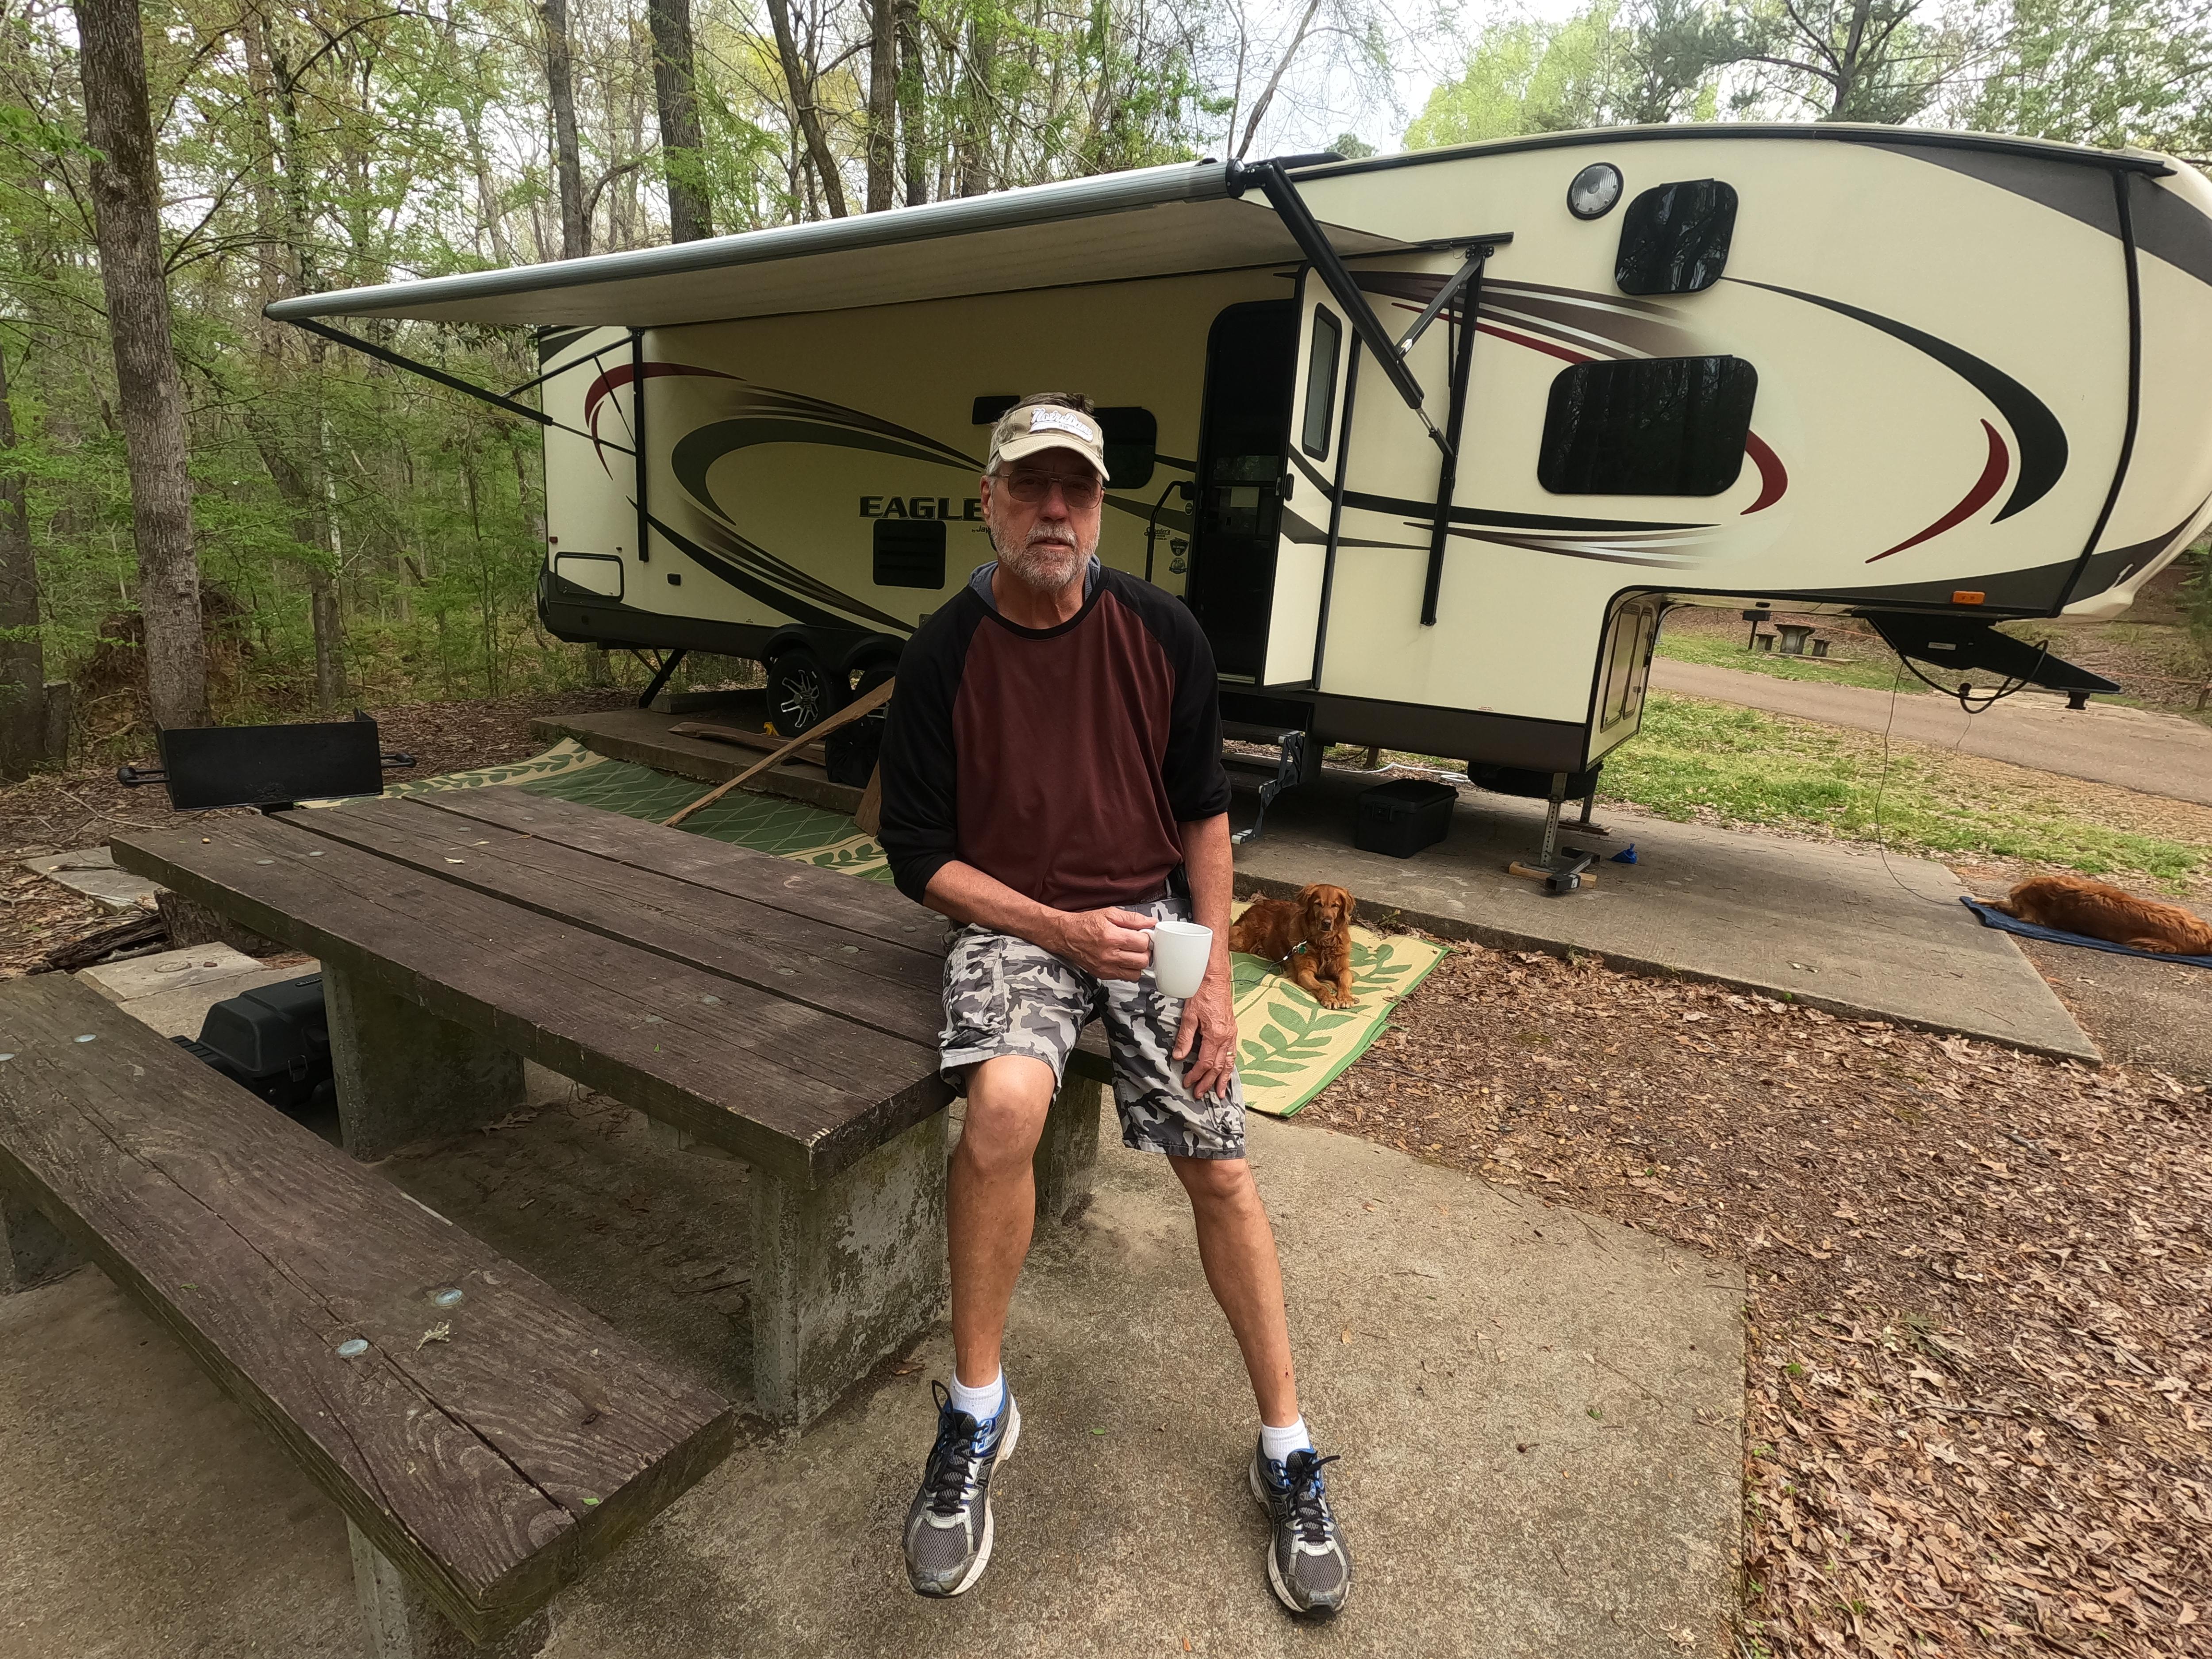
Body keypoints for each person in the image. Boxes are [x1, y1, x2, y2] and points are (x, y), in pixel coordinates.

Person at [877, 392, 1352, 1617]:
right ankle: (978, 1410)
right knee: (1005, 1109)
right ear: (986, 500)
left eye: (1075, 490)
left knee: (1221, 1161)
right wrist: (1050, 927)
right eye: (1029, 487)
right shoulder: (942, 652)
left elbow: (1203, 809)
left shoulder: (1163, 632)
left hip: (1152, 918)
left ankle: (1287, 1445)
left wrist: (1222, 989)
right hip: (1015, 919)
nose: (1054, 510)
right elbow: (917, 856)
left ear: (1099, 508)